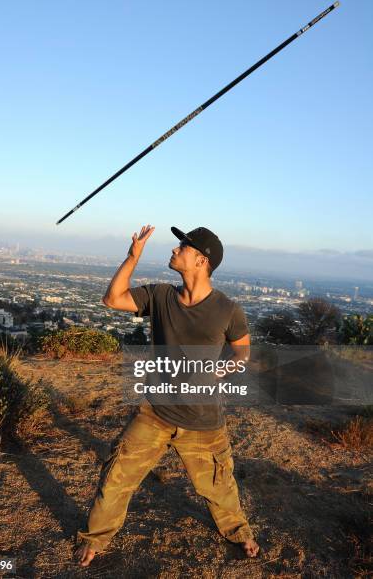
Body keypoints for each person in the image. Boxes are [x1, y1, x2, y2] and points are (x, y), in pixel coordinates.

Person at [75, 224, 259, 567]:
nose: (175, 250)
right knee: (117, 475)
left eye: (183, 247)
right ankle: (96, 538)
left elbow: (242, 354)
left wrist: (218, 373)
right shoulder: (160, 295)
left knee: (219, 485)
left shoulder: (228, 309)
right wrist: (132, 257)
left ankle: (239, 532)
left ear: (201, 260)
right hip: (154, 412)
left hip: (203, 420)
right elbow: (112, 299)